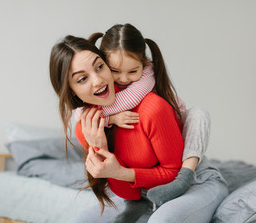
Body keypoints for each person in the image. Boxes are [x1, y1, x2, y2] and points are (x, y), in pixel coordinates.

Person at [49, 31, 228, 223]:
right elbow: (130, 195)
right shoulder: (86, 128)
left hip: (193, 183)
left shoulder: (152, 108)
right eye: (82, 79)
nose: (98, 80)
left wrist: (119, 172)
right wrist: (101, 149)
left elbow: (173, 176)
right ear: (71, 92)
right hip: (144, 198)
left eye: (100, 67)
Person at [73, 23, 211, 207]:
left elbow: (127, 100)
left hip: (184, 157)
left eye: (132, 71)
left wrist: (100, 115)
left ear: (143, 64)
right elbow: (79, 114)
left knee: (199, 115)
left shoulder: (145, 80)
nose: (123, 79)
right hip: (146, 191)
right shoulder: (89, 123)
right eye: (115, 71)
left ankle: (186, 174)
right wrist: (105, 125)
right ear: (103, 65)